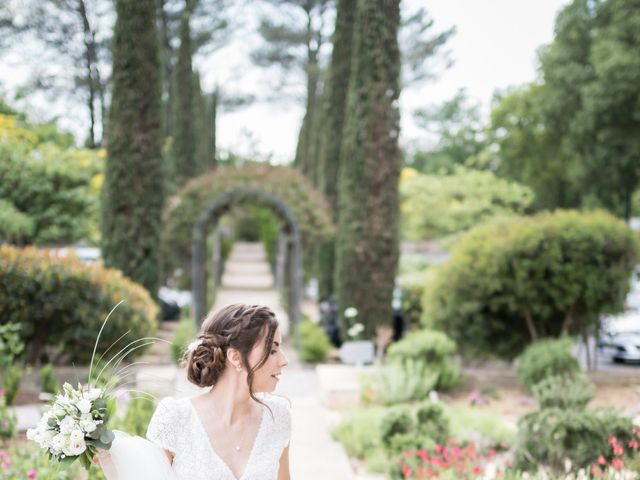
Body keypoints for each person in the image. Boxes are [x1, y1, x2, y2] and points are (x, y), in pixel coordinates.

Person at [96, 303, 291, 480]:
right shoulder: (176, 417)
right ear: (235, 357)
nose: (284, 360)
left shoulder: (278, 415)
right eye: (272, 350)